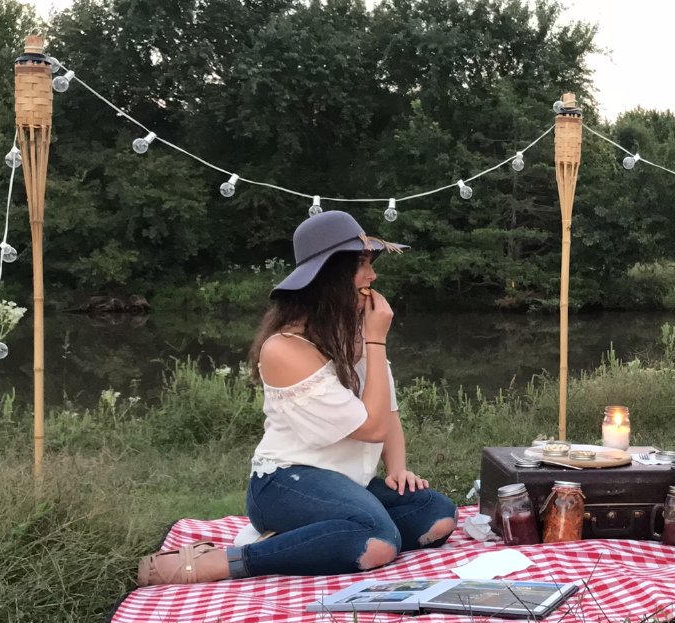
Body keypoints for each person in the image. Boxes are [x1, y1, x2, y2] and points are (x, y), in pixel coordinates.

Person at [137, 211, 457, 585]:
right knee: (379, 540)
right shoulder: (284, 348)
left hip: (347, 483)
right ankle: (229, 562)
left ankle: (319, 539)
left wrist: (398, 468)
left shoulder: (357, 335)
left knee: (436, 513)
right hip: (286, 482)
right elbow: (371, 428)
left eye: (370, 264)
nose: (373, 277)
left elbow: (388, 415)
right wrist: (376, 338)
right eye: (361, 266)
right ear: (329, 277)